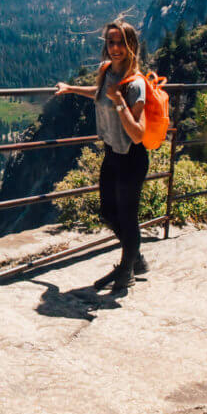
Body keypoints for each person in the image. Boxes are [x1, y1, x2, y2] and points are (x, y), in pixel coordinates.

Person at [55, 18, 150, 291]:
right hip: (111, 153)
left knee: (127, 216)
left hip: (131, 158)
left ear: (131, 45)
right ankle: (135, 258)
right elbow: (99, 94)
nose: (115, 47)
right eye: (111, 42)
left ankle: (126, 270)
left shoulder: (135, 84)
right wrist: (72, 89)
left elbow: (138, 134)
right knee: (108, 211)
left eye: (121, 42)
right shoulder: (106, 71)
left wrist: (120, 102)